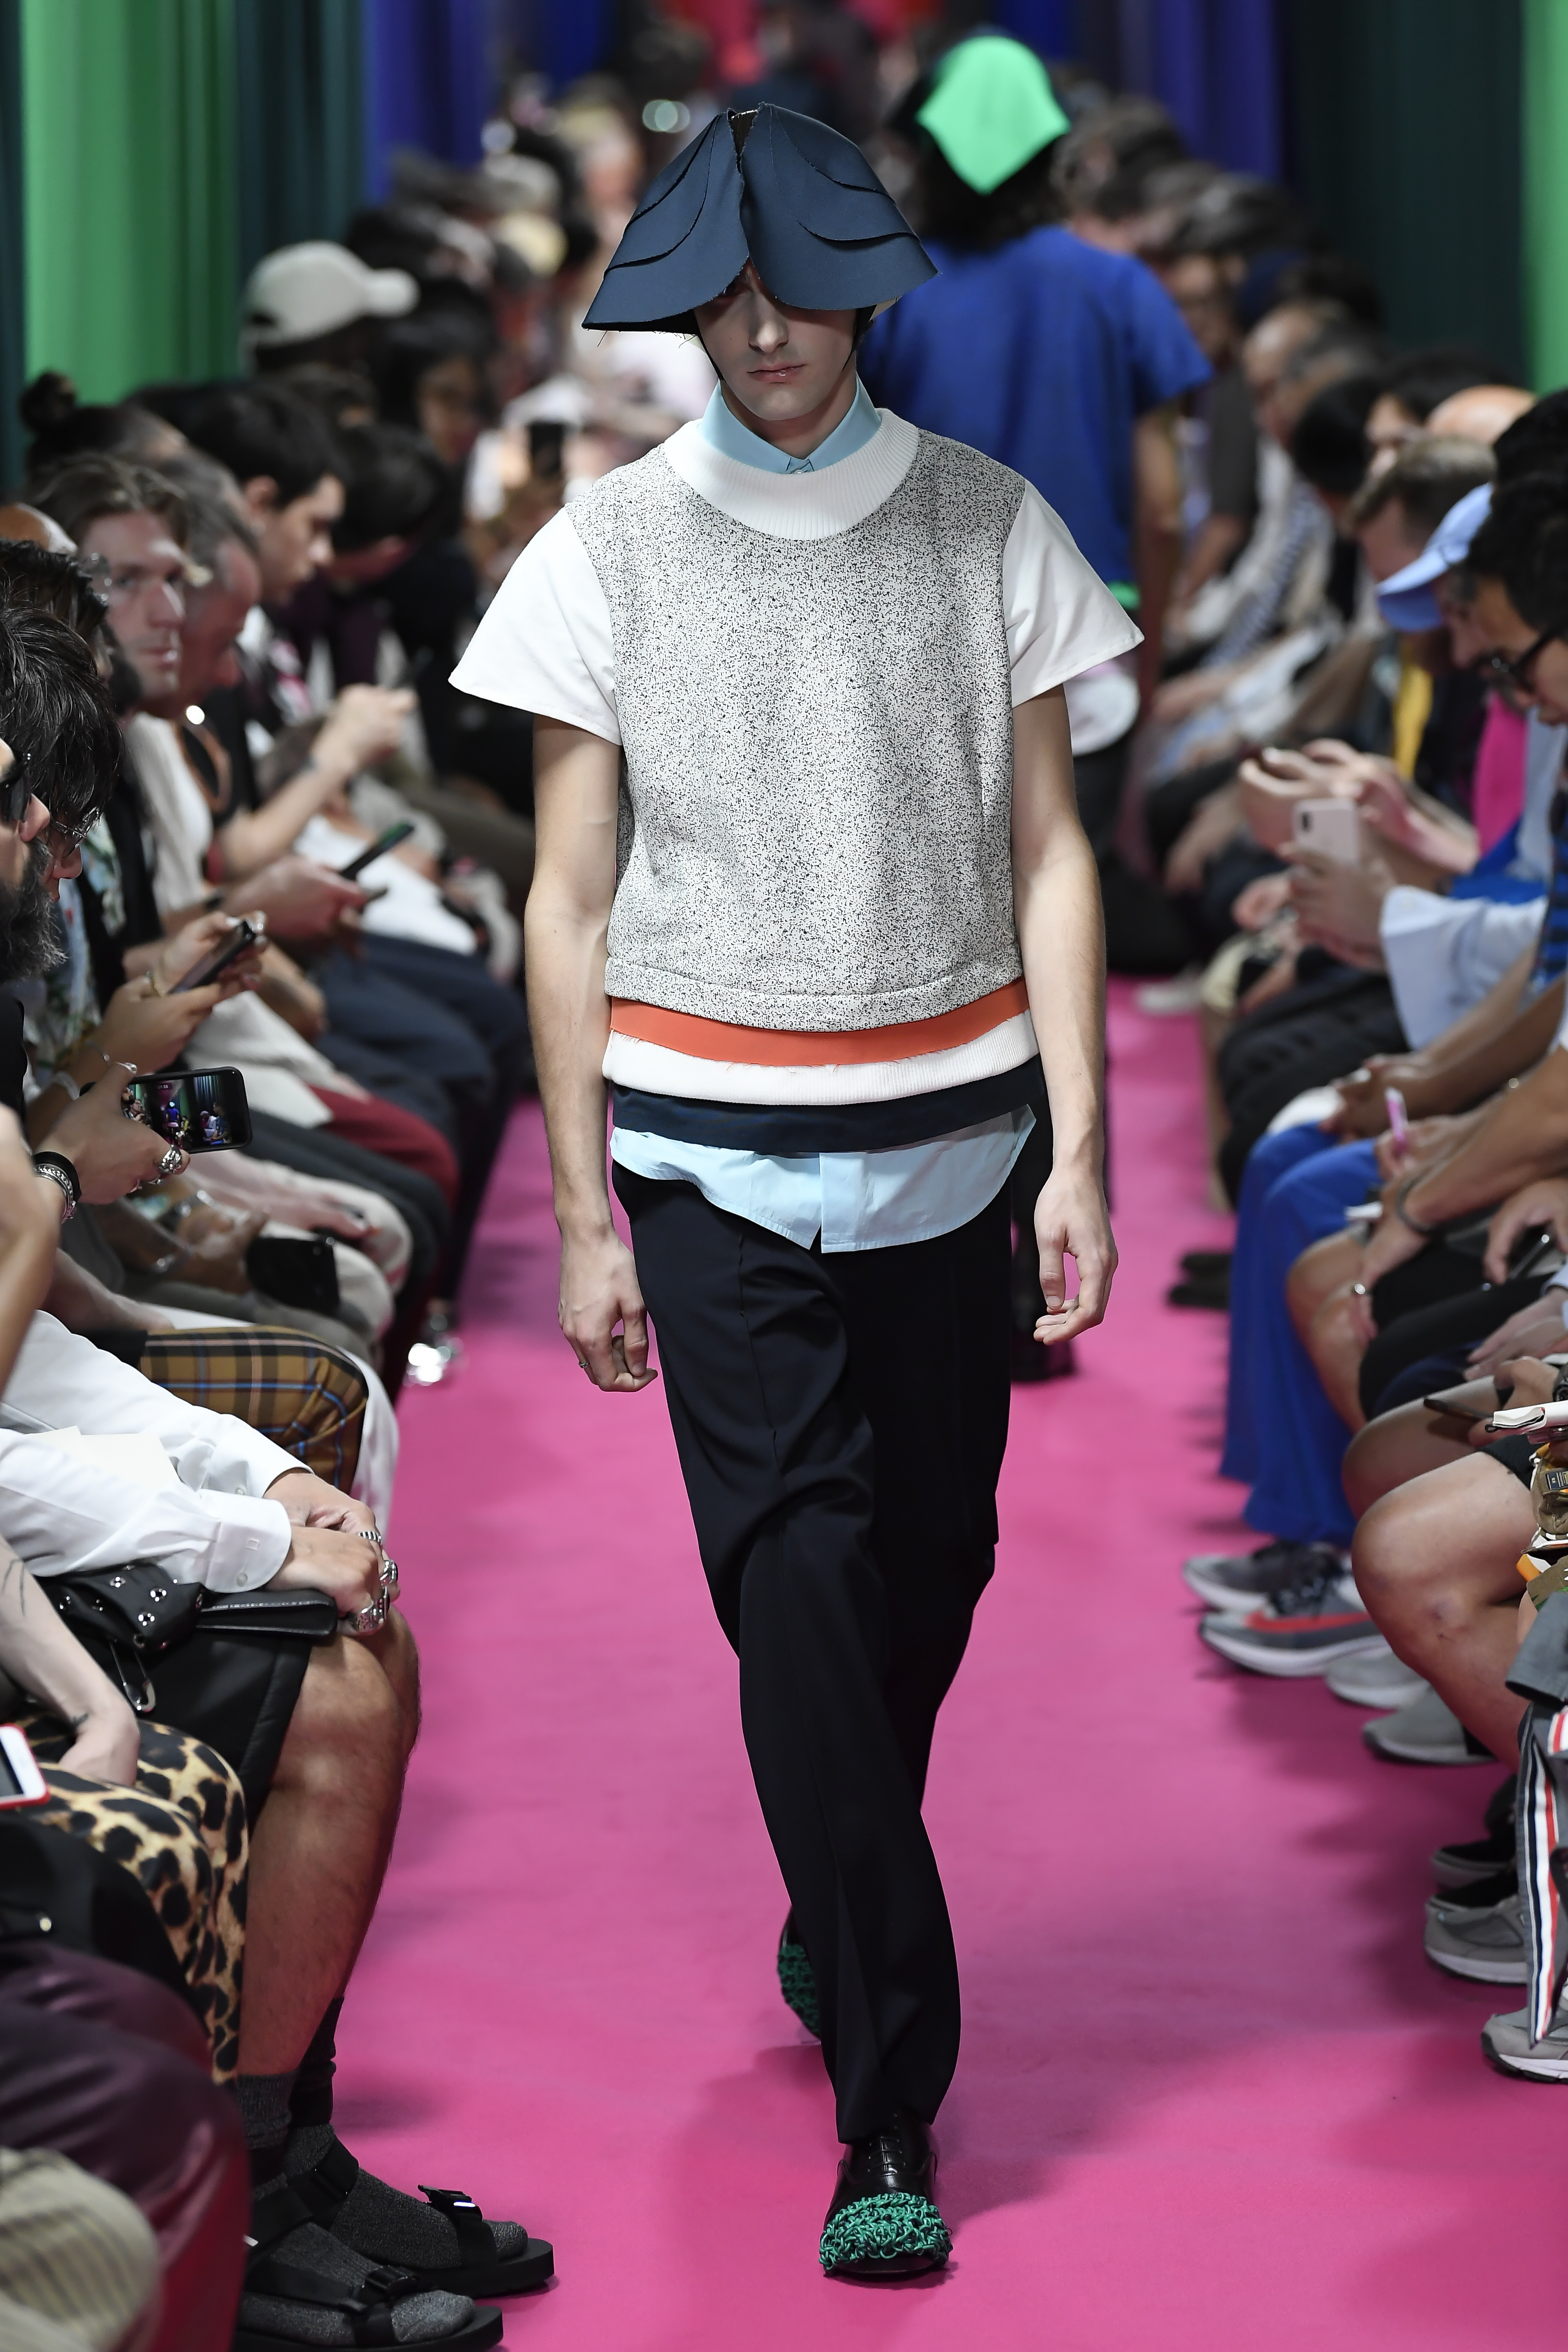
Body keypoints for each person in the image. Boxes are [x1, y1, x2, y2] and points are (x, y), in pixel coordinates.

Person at [453, 100, 1129, 2277]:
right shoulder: (601, 553)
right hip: (703, 1155)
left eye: (802, 289)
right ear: (680, 307)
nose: (764, 331)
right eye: (725, 298)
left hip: (954, 1140)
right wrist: (581, 1209)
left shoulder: (990, 527)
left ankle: (841, 1866)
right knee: (808, 1586)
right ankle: (886, 2105)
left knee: (929, 1564)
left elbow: (1050, 848)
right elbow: (568, 899)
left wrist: (1083, 1152)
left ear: (863, 289)